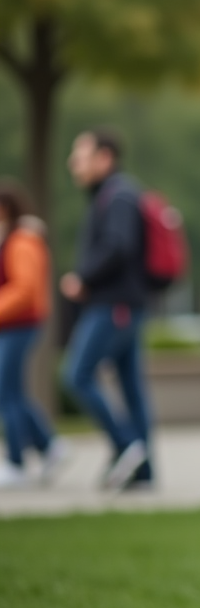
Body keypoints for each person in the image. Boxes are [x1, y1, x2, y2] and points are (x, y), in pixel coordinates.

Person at [61, 129, 154, 491]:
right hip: (124, 304)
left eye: (81, 156)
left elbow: (118, 245)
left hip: (113, 304)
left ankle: (126, 445)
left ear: (105, 158)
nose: (73, 163)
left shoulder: (118, 196)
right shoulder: (116, 194)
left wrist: (82, 277)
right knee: (131, 388)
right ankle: (143, 470)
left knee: (76, 375)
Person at [0, 180, 67, 489]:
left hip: (20, 325)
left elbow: (24, 289)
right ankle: (49, 446)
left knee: (7, 393)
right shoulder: (13, 238)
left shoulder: (22, 241)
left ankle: (17, 461)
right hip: (13, 325)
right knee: (12, 392)